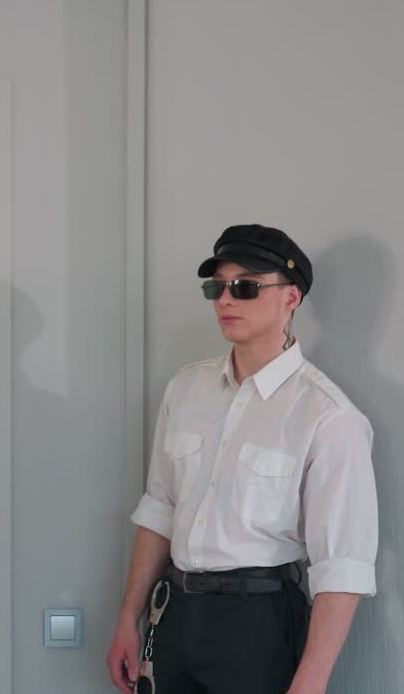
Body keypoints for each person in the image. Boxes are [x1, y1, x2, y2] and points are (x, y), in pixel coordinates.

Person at [107, 224, 378, 694]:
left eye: (245, 287)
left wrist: (311, 682)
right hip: (174, 615)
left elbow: (342, 563)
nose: (225, 301)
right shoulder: (185, 389)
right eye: (217, 287)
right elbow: (160, 509)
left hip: (260, 624)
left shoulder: (327, 415)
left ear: (291, 298)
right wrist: (129, 618)